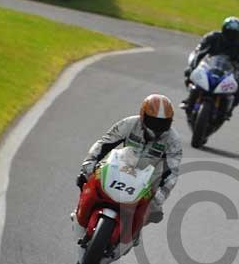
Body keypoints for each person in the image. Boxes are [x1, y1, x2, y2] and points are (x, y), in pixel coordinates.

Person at [75, 94, 182, 241]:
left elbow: (173, 172)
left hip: (147, 180)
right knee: (88, 179)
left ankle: (131, 234)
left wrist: (159, 197)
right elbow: (104, 143)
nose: (157, 128)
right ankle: (81, 211)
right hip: (120, 167)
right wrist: (89, 163)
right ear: (143, 116)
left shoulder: (173, 140)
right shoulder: (129, 123)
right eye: (153, 121)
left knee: (152, 210)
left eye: (163, 123)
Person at [182, 16, 239, 115]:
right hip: (209, 67)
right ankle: (190, 98)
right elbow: (199, 52)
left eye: (234, 34)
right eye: (229, 32)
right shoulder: (212, 37)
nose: (231, 36)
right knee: (188, 72)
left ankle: (229, 109)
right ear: (223, 30)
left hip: (229, 73)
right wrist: (193, 66)